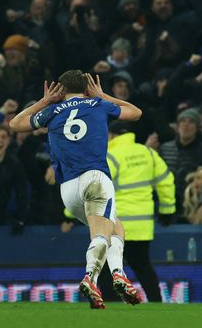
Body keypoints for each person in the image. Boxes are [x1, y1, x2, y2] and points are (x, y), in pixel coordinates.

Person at [10, 70, 143, 309]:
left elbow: (15, 124)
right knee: (102, 233)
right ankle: (90, 277)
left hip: (68, 190)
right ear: (87, 88)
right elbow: (136, 113)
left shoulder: (51, 112)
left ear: (60, 90)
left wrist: (45, 101)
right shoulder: (99, 104)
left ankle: (118, 273)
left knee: (114, 225)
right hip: (95, 177)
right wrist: (103, 95)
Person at [98, 121, 175, 303]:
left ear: (112, 135)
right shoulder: (147, 153)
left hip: (116, 227)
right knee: (143, 266)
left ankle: (112, 307)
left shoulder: (110, 156)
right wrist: (167, 210)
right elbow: (166, 181)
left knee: (107, 269)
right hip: (142, 226)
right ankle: (156, 302)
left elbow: (97, 189)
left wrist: (70, 215)